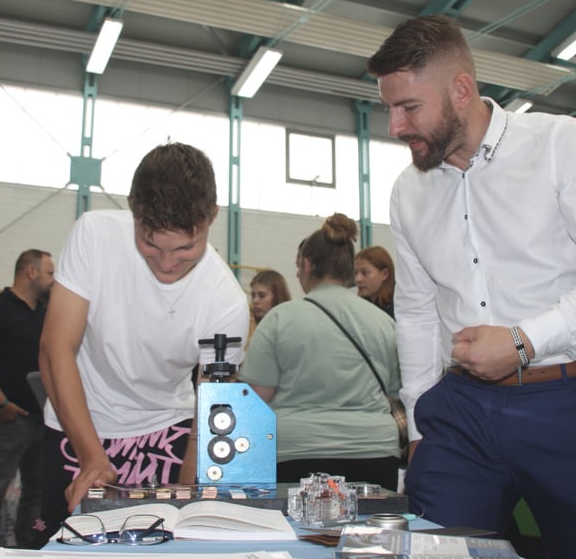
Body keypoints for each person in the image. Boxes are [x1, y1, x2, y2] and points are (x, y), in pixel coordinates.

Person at [367, 14, 576, 558]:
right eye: (389, 108)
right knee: (434, 551)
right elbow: (418, 309)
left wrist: (525, 340)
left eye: (409, 108)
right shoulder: (408, 192)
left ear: (461, 89)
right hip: (459, 411)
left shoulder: (560, 144)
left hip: (574, 402)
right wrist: (420, 418)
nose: (395, 127)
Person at [38, 143, 250, 531]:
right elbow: (54, 350)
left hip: (166, 427)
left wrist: (188, 509)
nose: (167, 264)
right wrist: (91, 455)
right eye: (150, 243)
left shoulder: (227, 304)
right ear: (133, 210)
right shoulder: (94, 235)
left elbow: (209, 415)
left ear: (212, 217)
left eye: (186, 247)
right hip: (77, 421)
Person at [237, 213, 401, 489]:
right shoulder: (384, 323)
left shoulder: (279, 319)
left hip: (296, 454)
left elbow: (256, 397)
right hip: (374, 454)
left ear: (307, 264)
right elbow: (396, 391)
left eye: (298, 267)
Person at [0, 249, 55, 558]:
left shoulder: (45, 313)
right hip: (8, 419)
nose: (52, 280)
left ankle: (29, 550)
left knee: (36, 492)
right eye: (49, 273)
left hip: (40, 418)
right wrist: (1, 402)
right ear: (30, 272)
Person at [354, 245, 396, 319]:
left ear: (384, 274)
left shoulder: (397, 309)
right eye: (356, 273)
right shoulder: (361, 306)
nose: (358, 279)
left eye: (365, 272)